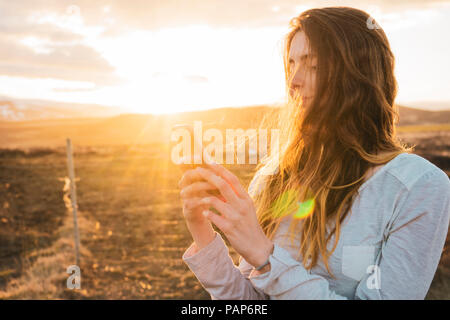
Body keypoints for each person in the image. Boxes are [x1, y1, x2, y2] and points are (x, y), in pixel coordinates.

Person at [177, 7, 450, 299]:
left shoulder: (417, 187)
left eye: (314, 65)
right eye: (291, 64)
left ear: (360, 77)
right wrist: (201, 230)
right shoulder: (273, 179)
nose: (293, 81)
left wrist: (265, 255)